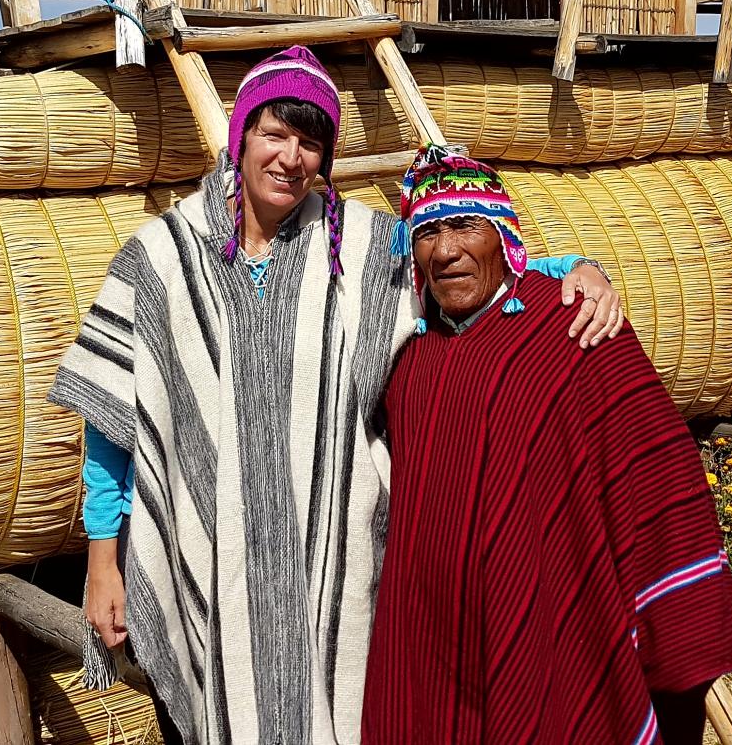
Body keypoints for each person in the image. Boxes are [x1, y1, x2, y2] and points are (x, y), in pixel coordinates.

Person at [49, 46, 622, 745]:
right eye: (274, 134)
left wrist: (576, 267)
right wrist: (103, 563)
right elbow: (114, 422)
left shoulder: (365, 247)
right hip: (207, 558)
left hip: (339, 568)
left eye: (311, 142)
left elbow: (466, 269)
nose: (291, 158)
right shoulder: (163, 258)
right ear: (242, 136)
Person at [362, 144, 732, 745]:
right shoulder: (408, 347)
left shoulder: (572, 326)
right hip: (431, 631)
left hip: (546, 613)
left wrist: (675, 619)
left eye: (465, 225)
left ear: (504, 235)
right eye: (427, 233)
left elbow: (655, 469)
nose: (445, 251)